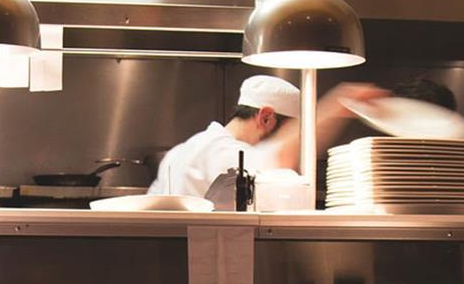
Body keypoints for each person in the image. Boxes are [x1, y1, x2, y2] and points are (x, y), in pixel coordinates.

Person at [148, 75, 385, 197]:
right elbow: (278, 157)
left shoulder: (181, 151)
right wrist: (341, 103)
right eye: (293, 131)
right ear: (266, 117)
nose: (297, 141)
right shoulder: (222, 152)